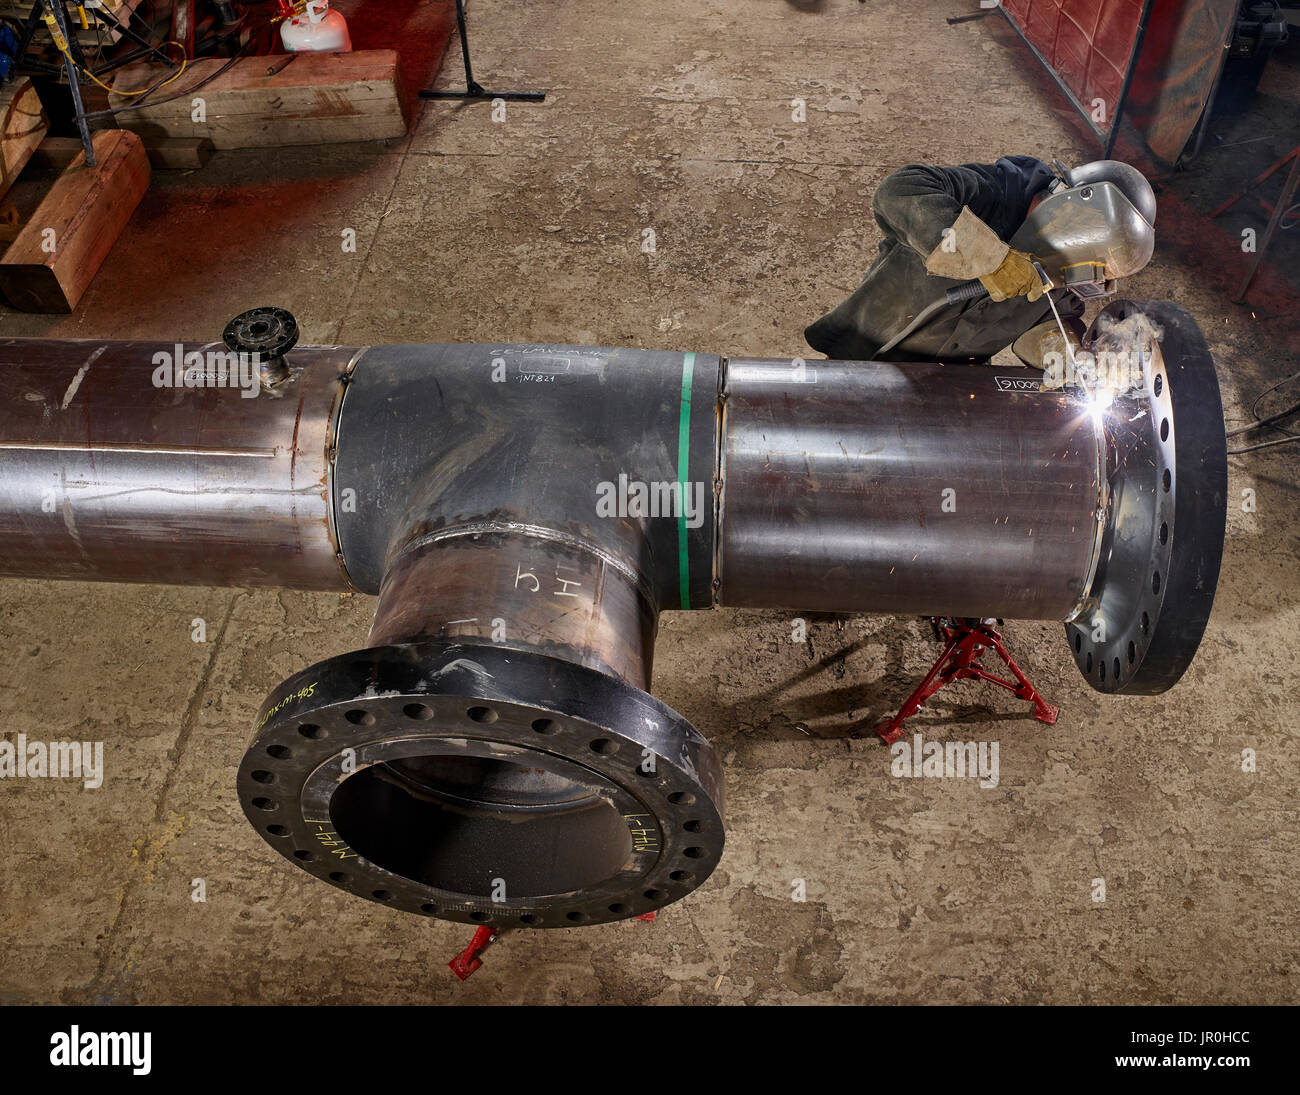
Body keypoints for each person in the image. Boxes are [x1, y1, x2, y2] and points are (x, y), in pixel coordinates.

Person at [804, 156, 1083, 367]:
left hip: (944, 389)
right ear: (1064, 205)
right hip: (863, 351)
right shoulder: (994, 194)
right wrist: (991, 259)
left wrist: (1072, 358)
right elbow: (897, 191)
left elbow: (1045, 334)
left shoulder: (1069, 274)